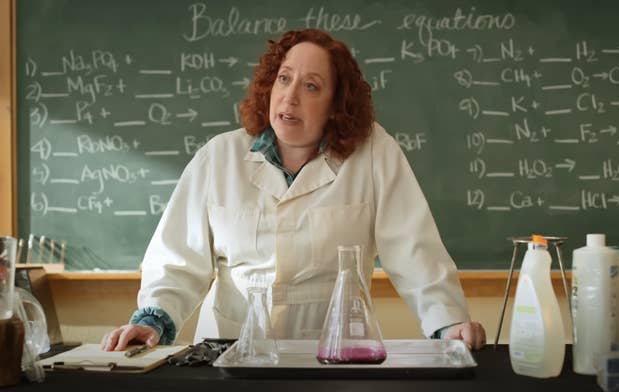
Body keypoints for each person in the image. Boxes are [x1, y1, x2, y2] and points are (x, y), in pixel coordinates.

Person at [102, 28, 486, 352]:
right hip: (232, 353)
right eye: (284, 79)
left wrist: (447, 324)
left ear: (337, 104)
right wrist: (152, 321)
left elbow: (415, 252)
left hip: (332, 352)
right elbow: (177, 262)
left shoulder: (374, 154)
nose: (290, 97)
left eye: (312, 86)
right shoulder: (218, 157)